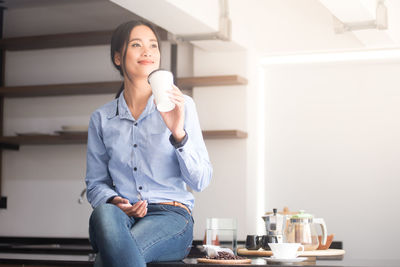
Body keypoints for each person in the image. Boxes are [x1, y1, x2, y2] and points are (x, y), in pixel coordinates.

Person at [85, 20, 213, 267]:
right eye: (136, 44)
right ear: (118, 58)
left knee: (108, 258)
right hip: (119, 218)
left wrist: (178, 133)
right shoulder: (101, 118)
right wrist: (114, 200)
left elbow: (201, 180)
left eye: (153, 45)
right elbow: (96, 184)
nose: (147, 52)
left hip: (172, 218)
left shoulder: (182, 105)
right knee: (104, 212)